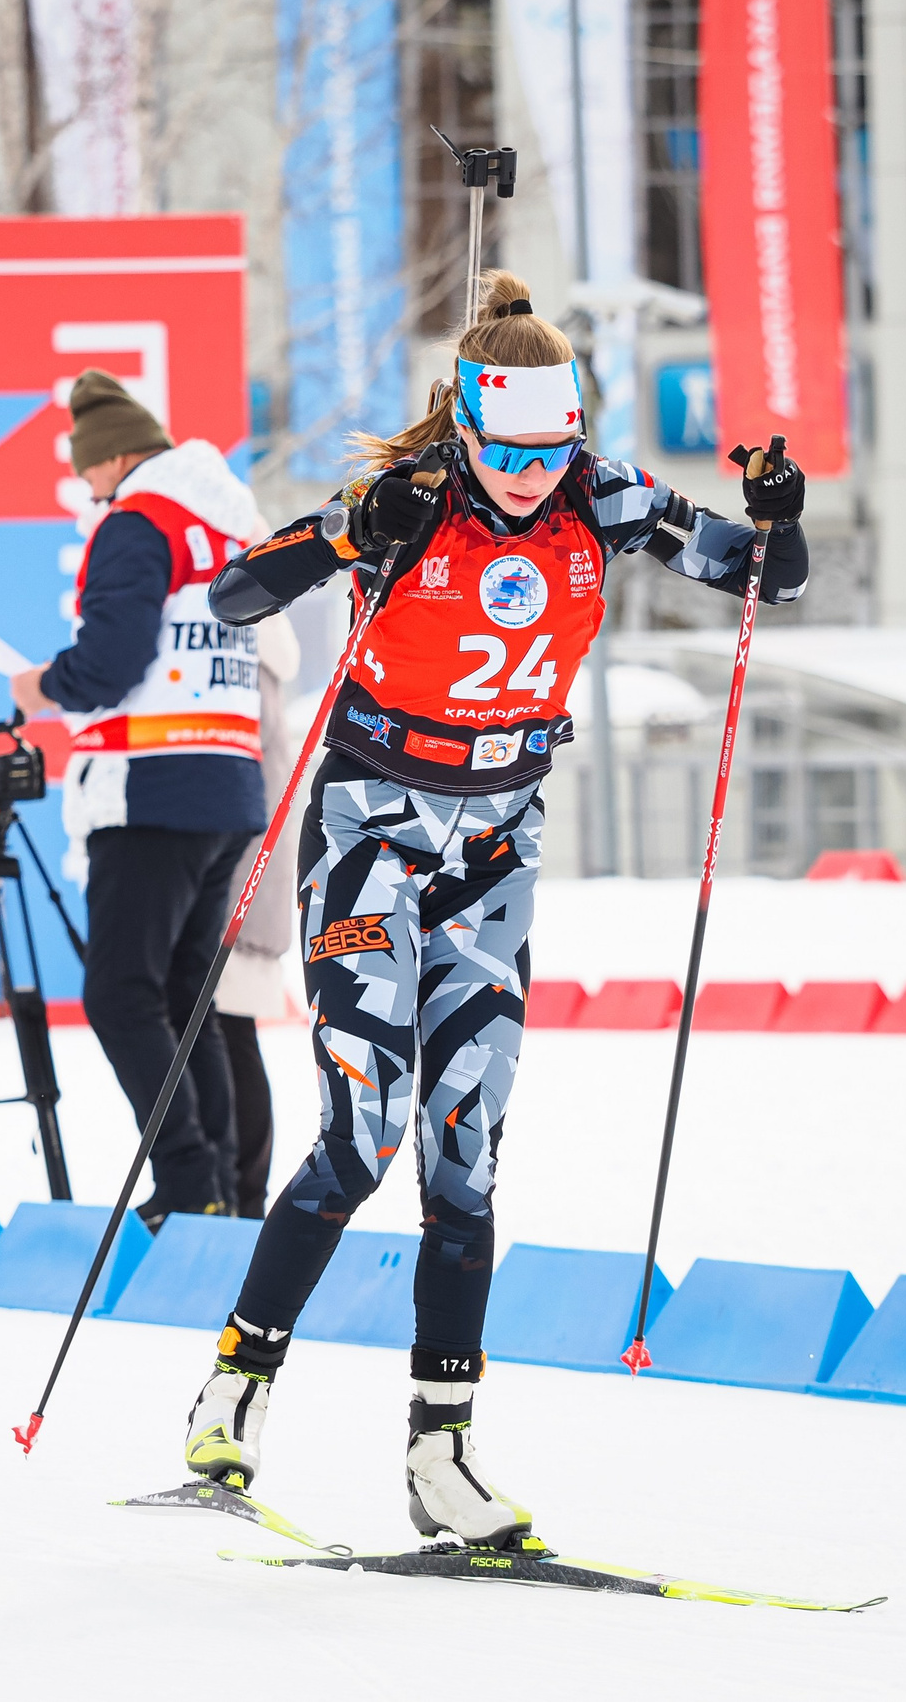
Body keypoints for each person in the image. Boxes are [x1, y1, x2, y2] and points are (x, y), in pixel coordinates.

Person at [176, 271, 808, 1547]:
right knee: (362, 1134)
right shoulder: (409, 499)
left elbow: (762, 581)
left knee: (463, 1153)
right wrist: (352, 536)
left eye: (550, 450)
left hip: (494, 853)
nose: (529, 477)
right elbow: (235, 595)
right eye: (507, 453)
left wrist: (778, 518)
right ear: (465, 426)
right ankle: (235, 1387)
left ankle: (441, 1453)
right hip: (372, 834)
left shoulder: (603, 495)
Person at [8, 369, 268, 1225]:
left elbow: (112, 662)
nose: (87, 488)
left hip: (151, 786)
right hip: (227, 782)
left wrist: (42, 685)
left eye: (86, 469)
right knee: (188, 997)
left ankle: (191, 1180)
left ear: (115, 456)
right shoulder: (222, 524)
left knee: (121, 993)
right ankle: (218, 1186)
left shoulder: (136, 523)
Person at [211, 613, 302, 1219]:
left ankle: (239, 1197)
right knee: (228, 1036)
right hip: (242, 868)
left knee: (229, 1036)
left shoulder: (245, 666)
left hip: (238, 873)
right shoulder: (258, 661)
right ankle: (235, 1194)